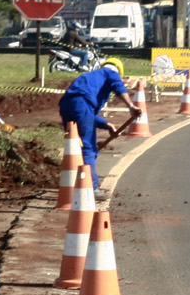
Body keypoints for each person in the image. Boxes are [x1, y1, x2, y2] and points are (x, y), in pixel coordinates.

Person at [58, 57, 137, 198]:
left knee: (74, 146)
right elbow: (118, 87)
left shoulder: (90, 77)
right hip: (83, 106)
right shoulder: (111, 73)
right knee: (88, 148)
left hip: (66, 106)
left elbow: (83, 110)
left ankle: (71, 183)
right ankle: (91, 188)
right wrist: (130, 105)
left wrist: (106, 125)